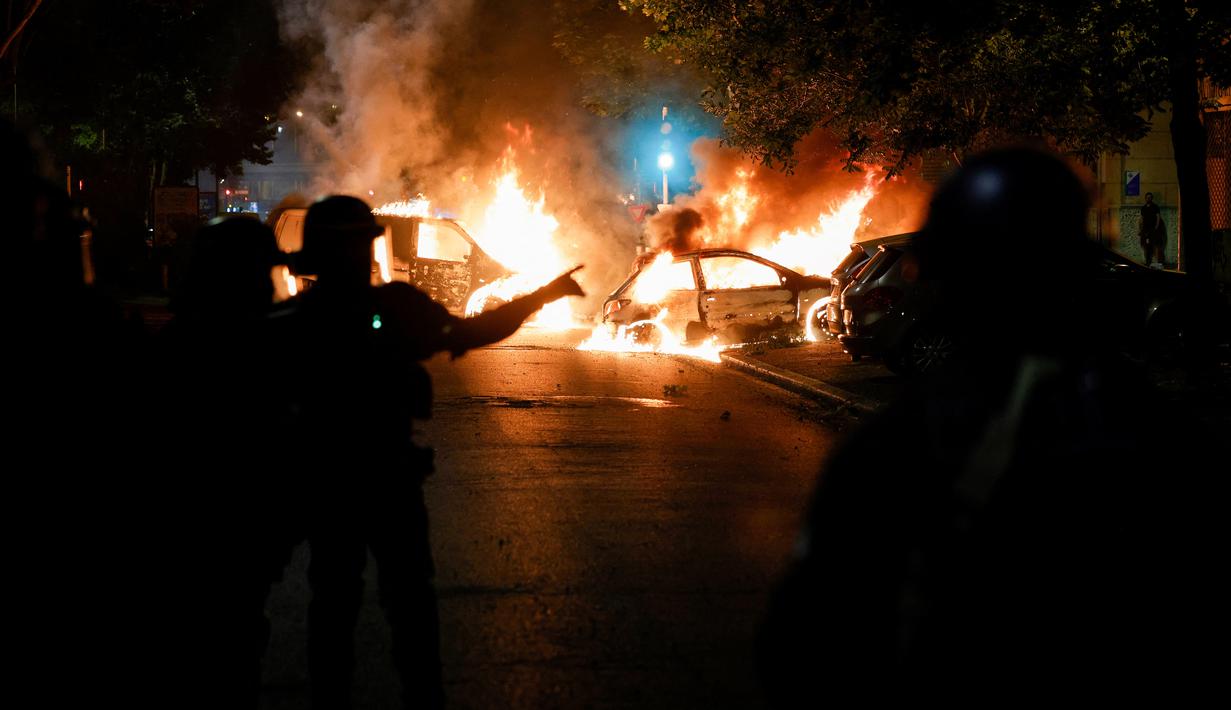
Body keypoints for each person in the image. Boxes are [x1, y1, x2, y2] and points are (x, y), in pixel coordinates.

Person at [757, 148, 1219, 706]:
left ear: (939, 278)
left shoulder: (891, 453)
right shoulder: (1168, 444)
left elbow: (800, 648)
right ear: (1075, 274)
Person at [287, 195, 584, 709]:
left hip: (328, 484)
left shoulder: (294, 321)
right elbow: (474, 331)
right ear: (363, 250)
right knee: (407, 601)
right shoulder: (394, 307)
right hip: (386, 481)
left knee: (334, 601)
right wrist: (541, 297)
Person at [155, 215, 299, 708]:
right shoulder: (244, 351)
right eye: (260, 274)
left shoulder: (179, 344)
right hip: (217, 539)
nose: (268, 286)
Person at [1140, 191, 1166, 267]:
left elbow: (1158, 217)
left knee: (1155, 245)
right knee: (1146, 246)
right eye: (1147, 197)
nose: (1148, 199)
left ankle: (1158, 262)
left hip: (1153, 230)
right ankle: (1147, 262)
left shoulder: (1155, 207)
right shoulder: (1143, 208)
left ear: (1152, 198)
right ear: (1145, 198)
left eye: (1150, 197)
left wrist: (1156, 227)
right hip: (1145, 230)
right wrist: (1140, 229)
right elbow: (1141, 219)